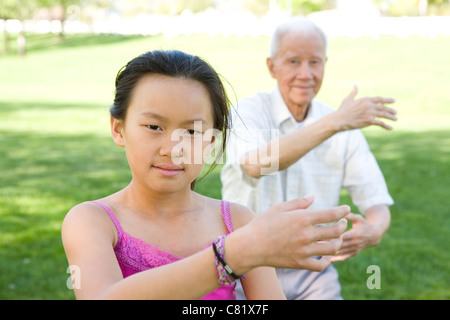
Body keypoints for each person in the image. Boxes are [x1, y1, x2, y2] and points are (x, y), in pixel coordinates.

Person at [61, 49, 350, 300]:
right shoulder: (92, 221)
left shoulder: (237, 222)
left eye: (192, 131)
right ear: (118, 128)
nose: (174, 149)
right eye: (154, 127)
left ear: (211, 142)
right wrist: (231, 256)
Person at [221, 17, 397, 300]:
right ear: (272, 66)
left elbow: (376, 199)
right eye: (293, 61)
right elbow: (256, 164)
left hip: (314, 272)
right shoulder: (248, 112)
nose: (305, 74)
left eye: (315, 62)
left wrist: (374, 230)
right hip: (247, 265)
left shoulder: (342, 125)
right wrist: (335, 122)